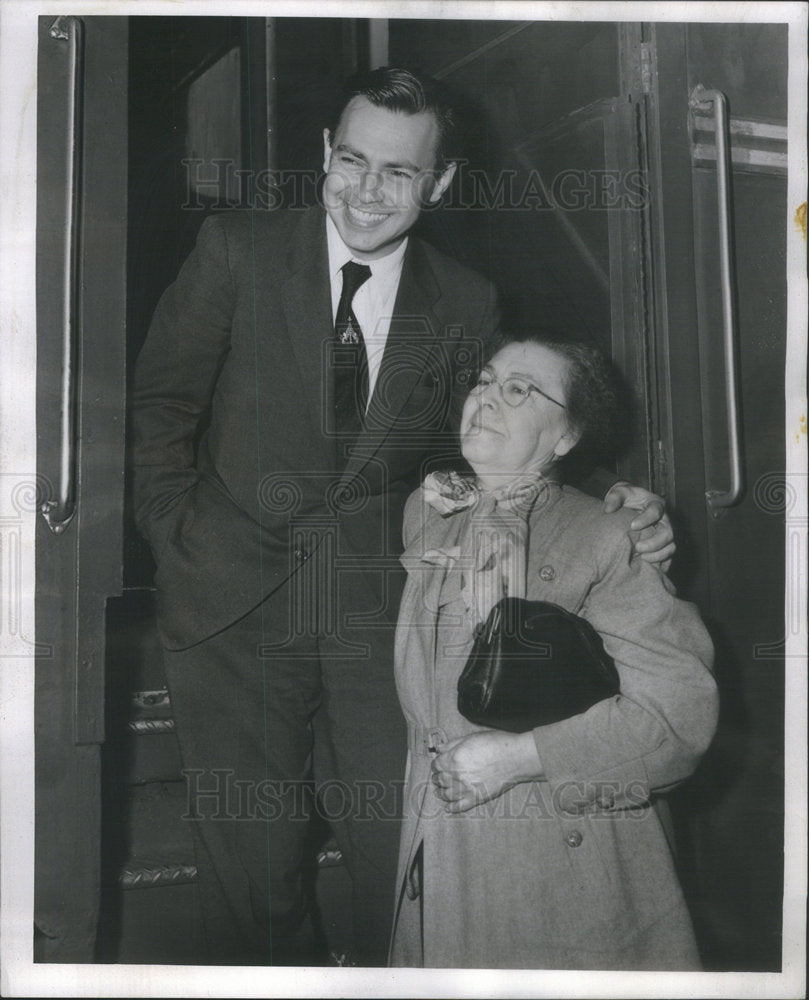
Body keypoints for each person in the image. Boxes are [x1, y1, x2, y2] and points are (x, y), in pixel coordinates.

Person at [132, 67, 673, 966]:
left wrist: (609, 493)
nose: (365, 192)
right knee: (251, 876)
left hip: (380, 613)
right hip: (227, 603)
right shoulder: (236, 246)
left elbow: (487, 435)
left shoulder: (465, 299)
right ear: (324, 156)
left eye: (398, 173)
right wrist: (176, 533)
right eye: (351, 162)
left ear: (441, 184)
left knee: (397, 859)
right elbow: (159, 408)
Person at [390, 332, 718, 969]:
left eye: (519, 390)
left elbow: (680, 717)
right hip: (440, 856)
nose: (487, 397)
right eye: (484, 381)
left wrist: (521, 756)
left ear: (567, 437)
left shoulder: (612, 537)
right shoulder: (428, 514)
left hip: (562, 867)